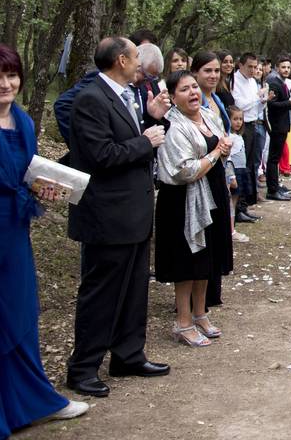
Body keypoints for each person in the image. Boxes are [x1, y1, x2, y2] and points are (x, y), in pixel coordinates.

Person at [66, 37, 169, 398]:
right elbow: (102, 154)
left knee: (133, 290)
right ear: (121, 60)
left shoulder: (128, 95)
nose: (140, 63)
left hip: (133, 214)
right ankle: (82, 368)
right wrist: (146, 141)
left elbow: (125, 135)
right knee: (101, 294)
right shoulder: (91, 98)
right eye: (136, 56)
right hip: (106, 215)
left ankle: (128, 354)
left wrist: (149, 119)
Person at [0, 44, 89, 435]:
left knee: (19, 314)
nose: (6, 84)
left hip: (14, 233)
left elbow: (27, 174)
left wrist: (44, 188)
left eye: (12, 75)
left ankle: (34, 401)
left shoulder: (21, 120)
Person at [155, 70, 233, 347]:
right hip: (184, 200)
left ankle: (201, 313)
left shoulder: (208, 115)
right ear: (173, 98)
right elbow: (185, 171)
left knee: (206, 259)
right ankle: (183, 321)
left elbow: (223, 140)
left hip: (212, 193)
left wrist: (222, 149)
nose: (193, 93)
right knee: (187, 262)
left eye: (194, 88)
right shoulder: (172, 126)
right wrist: (214, 154)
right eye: (184, 89)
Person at [231, 52, 266, 219]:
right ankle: (238, 207)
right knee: (241, 166)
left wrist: (262, 101)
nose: (253, 70)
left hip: (254, 123)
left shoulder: (253, 82)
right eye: (250, 67)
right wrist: (257, 98)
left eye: (255, 66)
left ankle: (245, 205)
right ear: (241, 65)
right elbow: (239, 105)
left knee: (252, 164)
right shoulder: (235, 80)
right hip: (241, 126)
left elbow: (255, 108)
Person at [265, 54, 291, 201]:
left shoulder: (283, 82)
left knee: (277, 158)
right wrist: (290, 103)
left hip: (283, 124)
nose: (286, 70)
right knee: (273, 159)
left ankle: (276, 186)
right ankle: (272, 190)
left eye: (288, 67)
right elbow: (272, 104)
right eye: (283, 67)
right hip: (277, 125)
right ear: (277, 67)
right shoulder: (274, 82)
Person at [225, 107, 251, 242]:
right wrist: (231, 176)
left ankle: (231, 228)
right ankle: (230, 231)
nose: (238, 122)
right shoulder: (229, 137)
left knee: (234, 202)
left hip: (241, 170)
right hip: (234, 172)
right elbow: (227, 157)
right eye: (235, 119)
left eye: (240, 119)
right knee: (230, 202)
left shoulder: (239, 136)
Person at [192, 51, 230, 134]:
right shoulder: (192, 102)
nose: (213, 76)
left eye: (217, 71)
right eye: (208, 71)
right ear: (195, 72)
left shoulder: (217, 99)